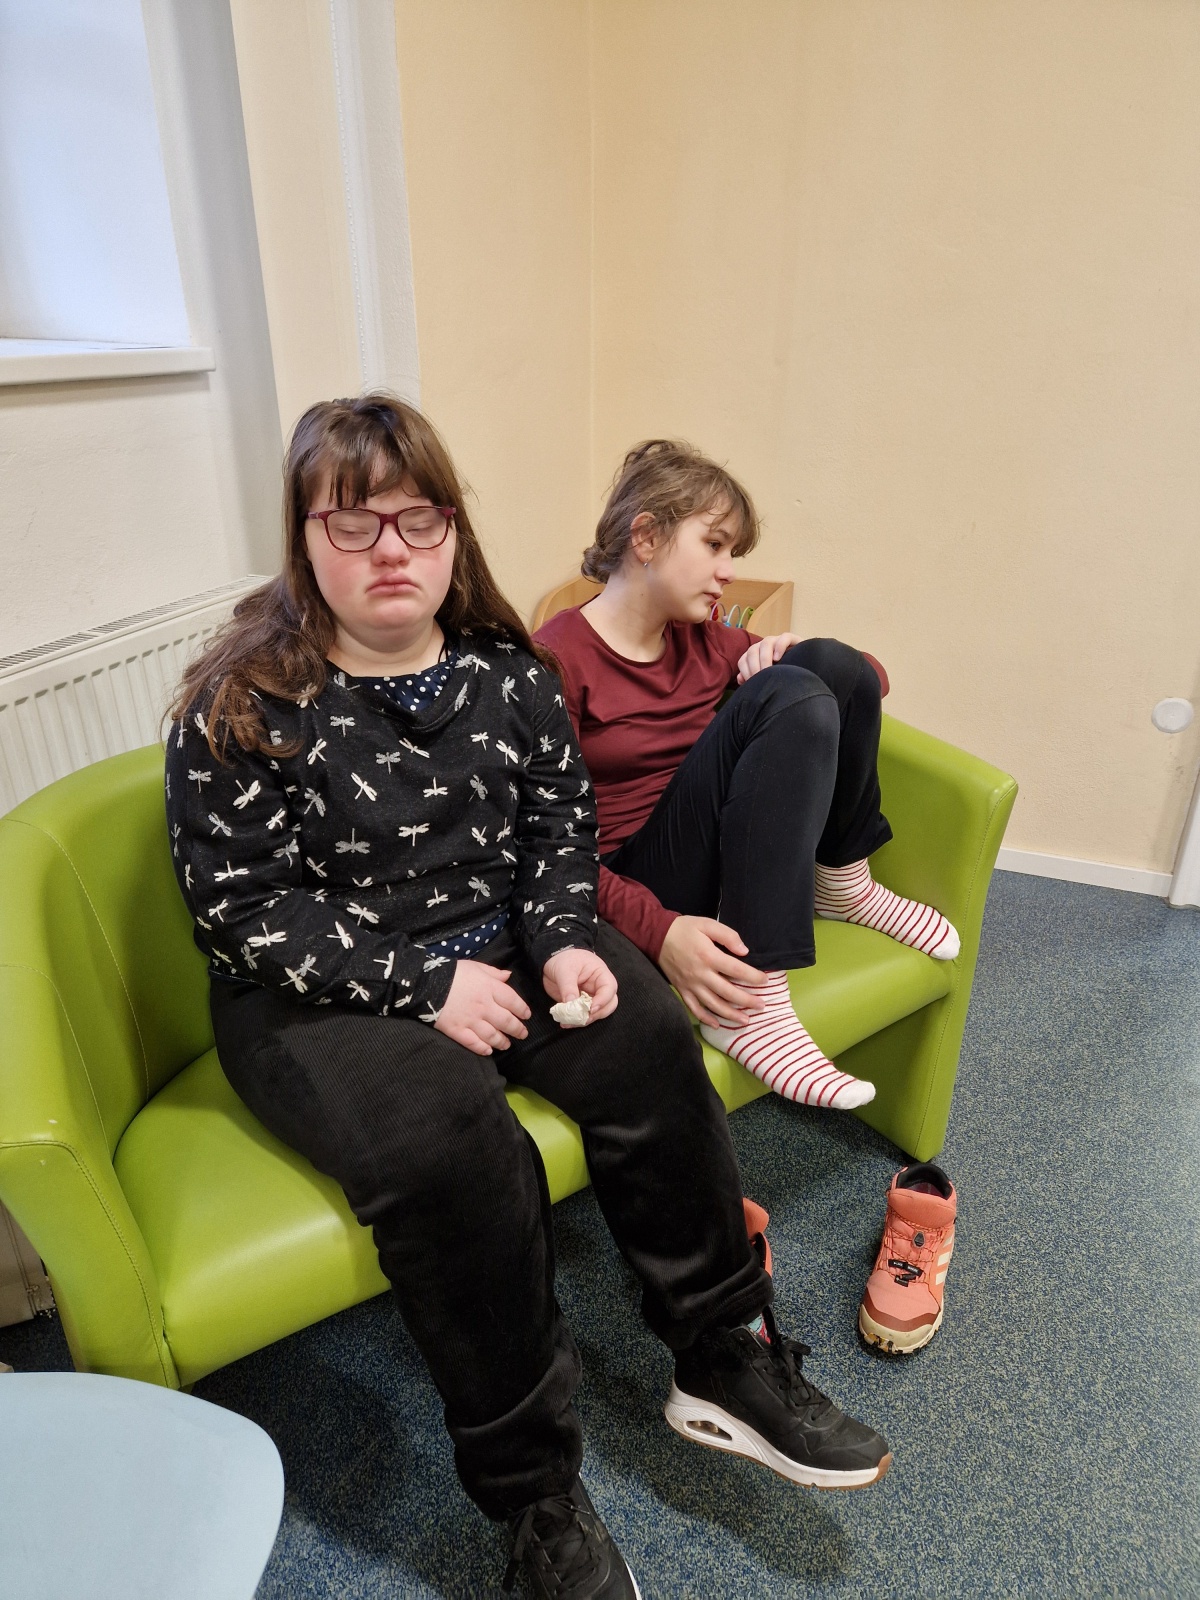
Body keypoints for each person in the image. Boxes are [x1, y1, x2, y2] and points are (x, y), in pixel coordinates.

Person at [166, 397, 891, 1600]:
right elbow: (241, 911)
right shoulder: (240, 705)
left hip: (501, 940)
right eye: (352, 522)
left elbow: (558, 832)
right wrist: (424, 985)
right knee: (456, 1143)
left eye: (420, 518)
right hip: (317, 991)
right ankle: (537, 1496)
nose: (391, 548)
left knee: (650, 1037)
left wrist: (561, 940)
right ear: (302, 536)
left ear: (454, 531)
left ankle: (721, 1353)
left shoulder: (508, 673)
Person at [535, 440, 960, 1114]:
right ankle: (753, 998)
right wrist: (657, 929)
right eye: (715, 546)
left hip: (727, 858)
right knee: (791, 691)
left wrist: (788, 649)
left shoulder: (704, 639)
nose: (728, 573)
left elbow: (866, 681)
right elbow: (538, 845)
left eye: (732, 552)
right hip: (629, 874)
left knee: (827, 663)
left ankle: (842, 884)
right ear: (646, 536)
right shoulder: (555, 661)